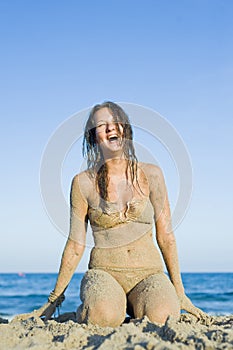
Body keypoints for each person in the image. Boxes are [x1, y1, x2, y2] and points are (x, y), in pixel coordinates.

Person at [30, 102, 209, 326]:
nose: (110, 128)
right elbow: (75, 245)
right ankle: (100, 307)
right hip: (105, 274)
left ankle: (138, 306)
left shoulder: (152, 175)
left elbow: (166, 237)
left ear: (125, 130)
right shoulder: (83, 183)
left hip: (149, 275)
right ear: (94, 137)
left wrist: (180, 292)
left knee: (162, 317)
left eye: (115, 122)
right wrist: (53, 300)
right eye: (101, 125)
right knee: (101, 316)